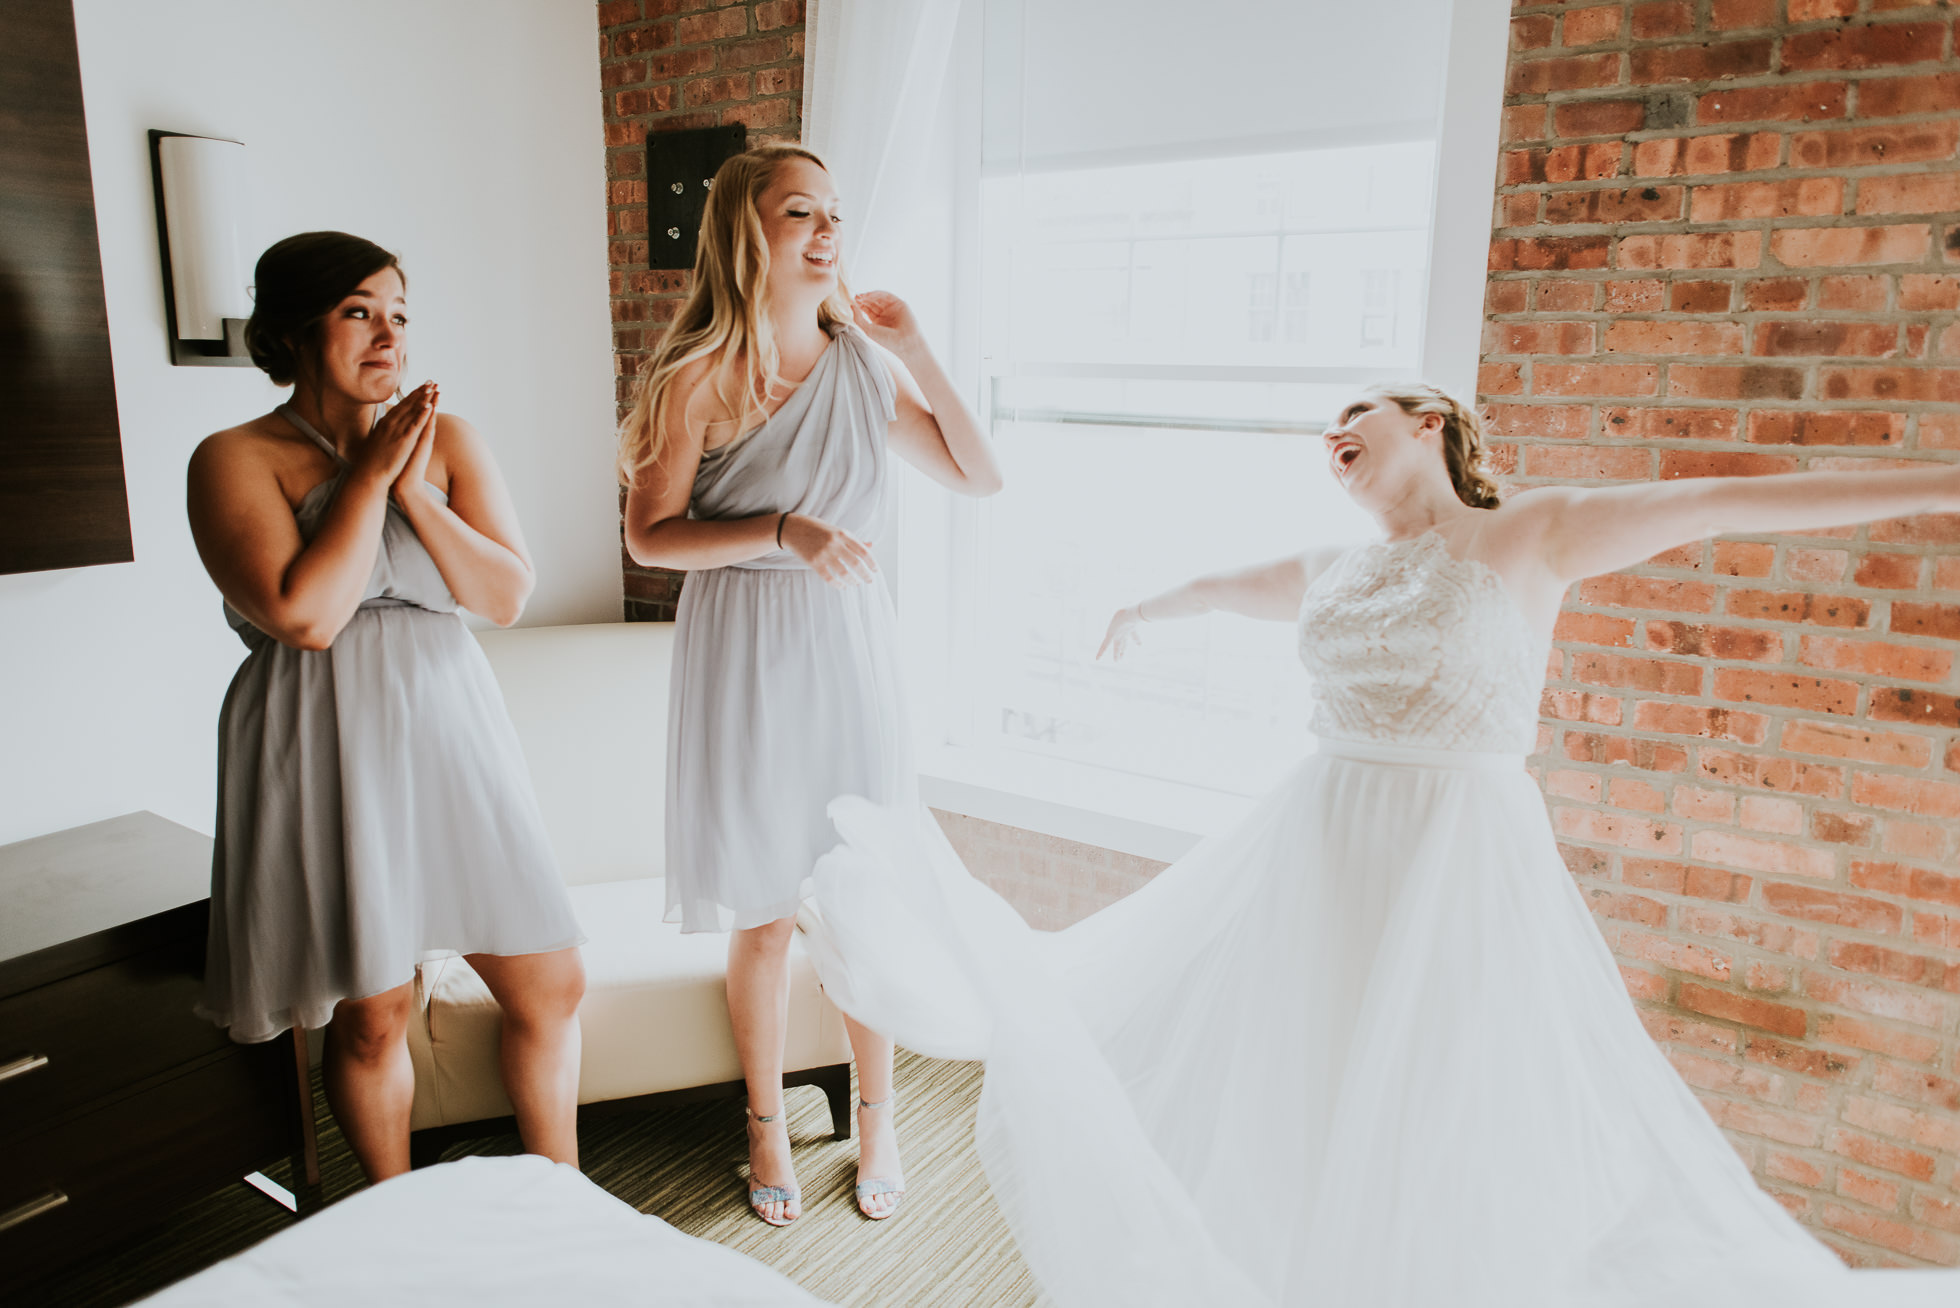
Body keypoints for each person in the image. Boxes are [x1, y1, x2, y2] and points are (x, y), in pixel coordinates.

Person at [804, 382, 1960, 1306]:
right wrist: (1143, 608)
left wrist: (1938, 482)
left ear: (1431, 423)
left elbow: (1717, 499)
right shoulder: (1329, 570)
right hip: (1319, 849)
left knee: (1446, 1091)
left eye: (1351, 415)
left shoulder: (1535, 534)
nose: (1330, 436)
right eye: (1325, 429)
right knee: (1304, 1075)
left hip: (1459, 852)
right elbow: (1218, 586)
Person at [618, 145, 1001, 1225]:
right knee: (766, 910)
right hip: (743, 642)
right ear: (749, 231)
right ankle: (764, 1121)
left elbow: (981, 474)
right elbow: (650, 538)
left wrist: (916, 347)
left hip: (847, 642)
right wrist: (781, 530)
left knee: (863, 894)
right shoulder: (695, 374)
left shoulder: (859, 369)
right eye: (802, 213)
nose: (829, 232)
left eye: (836, 213)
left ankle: (878, 1115)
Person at [187, 232, 587, 1183]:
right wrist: (367, 480)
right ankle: (394, 1220)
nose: (388, 335)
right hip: (322, 736)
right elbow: (307, 616)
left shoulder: (448, 442)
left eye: (399, 314)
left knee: (550, 978)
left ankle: (565, 1201)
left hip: (450, 726)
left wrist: (418, 492)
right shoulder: (234, 458)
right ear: (291, 331)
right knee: (373, 1010)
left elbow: (503, 598)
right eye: (359, 312)